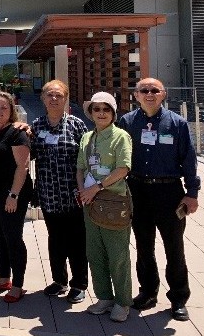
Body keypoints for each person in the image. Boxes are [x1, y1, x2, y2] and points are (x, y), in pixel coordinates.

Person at [118, 78, 200, 321]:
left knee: (174, 248)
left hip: (169, 193)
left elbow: (189, 159)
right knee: (144, 247)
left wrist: (192, 193)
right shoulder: (127, 122)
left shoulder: (177, 123)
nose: (150, 94)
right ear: (136, 95)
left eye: (155, 90)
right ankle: (148, 292)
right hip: (138, 191)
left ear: (163, 94)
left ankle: (178, 299)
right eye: (144, 90)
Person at [29, 80, 89, 303]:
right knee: (55, 240)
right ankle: (59, 280)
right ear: (43, 99)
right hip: (48, 195)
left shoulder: (76, 125)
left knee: (77, 242)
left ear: (65, 99)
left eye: (59, 95)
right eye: (50, 95)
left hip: (73, 196)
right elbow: (28, 155)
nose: (54, 99)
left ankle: (79, 283)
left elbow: (86, 159)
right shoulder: (36, 126)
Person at [76, 92, 133, 322]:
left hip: (113, 201)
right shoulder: (87, 138)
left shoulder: (121, 137)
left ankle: (122, 301)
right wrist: (83, 190)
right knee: (95, 252)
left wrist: (96, 187)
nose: (100, 113)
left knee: (117, 254)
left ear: (113, 113)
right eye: (96, 109)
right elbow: (80, 167)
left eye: (105, 109)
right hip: (90, 202)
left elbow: (123, 168)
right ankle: (104, 297)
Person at [0, 92, 33, 303]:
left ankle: (18, 285)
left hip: (11, 194)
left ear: (11, 111)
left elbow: (23, 166)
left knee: (12, 238)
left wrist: (13, 195)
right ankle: (3, 277)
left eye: (4, 107)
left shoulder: (17, 133)